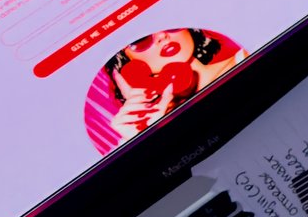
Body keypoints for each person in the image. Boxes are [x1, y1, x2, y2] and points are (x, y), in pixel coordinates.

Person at [98, 26, 242, 145]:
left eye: (170, 25)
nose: (162, 35)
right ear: (125, 59)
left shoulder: (246, 59)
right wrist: (144, 139)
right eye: (141, 39)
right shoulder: (151, 122)